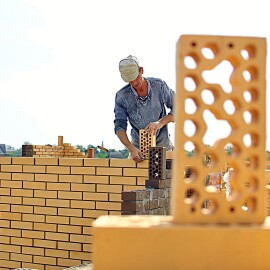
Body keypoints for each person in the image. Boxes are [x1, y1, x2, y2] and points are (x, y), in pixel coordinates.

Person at [114, 55, 175, 163]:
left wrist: (160, 123)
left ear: (141, 70)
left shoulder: (159, 86)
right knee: (136, 179)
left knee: (169, 179)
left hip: (164, 148)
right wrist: (131, 148)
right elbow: (119, 127)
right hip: (138, 152)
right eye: (130, 81)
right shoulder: (122, 97)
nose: (134, 83)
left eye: (135, 78)